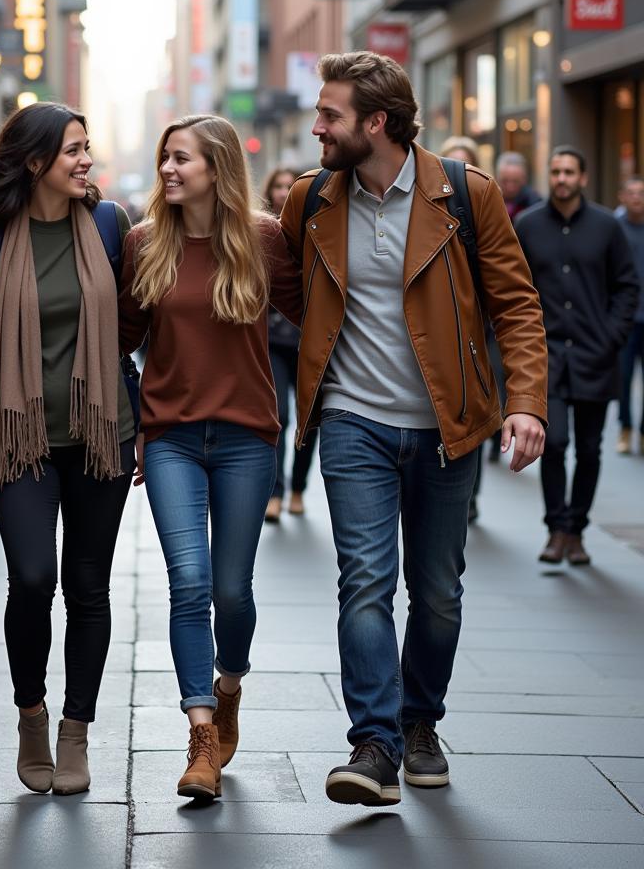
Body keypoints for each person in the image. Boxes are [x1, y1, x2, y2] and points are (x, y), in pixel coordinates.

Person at [280, 51, 547, 807]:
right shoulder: (313, 200)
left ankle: (420, 721)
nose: (318, 126)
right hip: (352, 421)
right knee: (364, 582)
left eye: (330, 114)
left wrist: (525, 401)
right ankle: (374, 744)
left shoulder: (467, 195)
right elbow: (299, 295)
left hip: (445, 425)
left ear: (377, 122)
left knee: (436, 594)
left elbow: (517, 306)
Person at [120, 115, 302, 802]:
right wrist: (133, 416)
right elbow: (122, 339)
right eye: (165, 158)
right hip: (169, 439)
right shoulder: (143, 244)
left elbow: (315, 311)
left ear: (217, 168)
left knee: (233, 591)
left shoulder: (263, 240)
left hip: (246, 438)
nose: (168, 169)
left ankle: (229, 686)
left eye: (181, 160)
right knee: (189, 582)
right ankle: (200, 735)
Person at [0, 102, 135, 797]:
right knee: (33, 580)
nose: (86, 160)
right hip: (19, 436)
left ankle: (75, 732)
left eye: (88, 148)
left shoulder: (110, 225)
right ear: (35, 162)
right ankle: (31, 713)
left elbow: (134, 324)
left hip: (102, 435)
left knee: (89, 589)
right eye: (73, 150)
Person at [515, 148, 639, 566]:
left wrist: (612, 335)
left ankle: (577, 532)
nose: (562, 178)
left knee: (588, 449)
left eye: (569, 171)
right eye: (555, 171)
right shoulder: (528, 225)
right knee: (553, 443)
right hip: (544, 356)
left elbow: (626, 286)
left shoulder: (606, 226)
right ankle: (555, 529)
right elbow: (513, 287)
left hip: (594, 356)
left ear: (583, 177)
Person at [262, 166, 315, 521]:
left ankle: (297, 488)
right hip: (271, 339)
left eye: (289, 186)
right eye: (278, 186)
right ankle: (276, 493)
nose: (283, 192)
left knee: (309, 420)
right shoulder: (262, 231)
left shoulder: (315, 226)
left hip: (308, 340)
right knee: (278, 416)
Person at [616, 176, 644, 455]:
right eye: (632, 193)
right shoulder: (616, 229)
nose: (637, 198)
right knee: (623, 378)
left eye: (641, 193)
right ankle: (625, 428)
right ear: (622, 197)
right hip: (626, 320)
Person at [496, 151, 541, 222]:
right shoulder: (489, 201)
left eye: (515, 181)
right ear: (497, 179)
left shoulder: (535, 204)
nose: (510, 187)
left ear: (524, 179)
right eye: (505, 181)